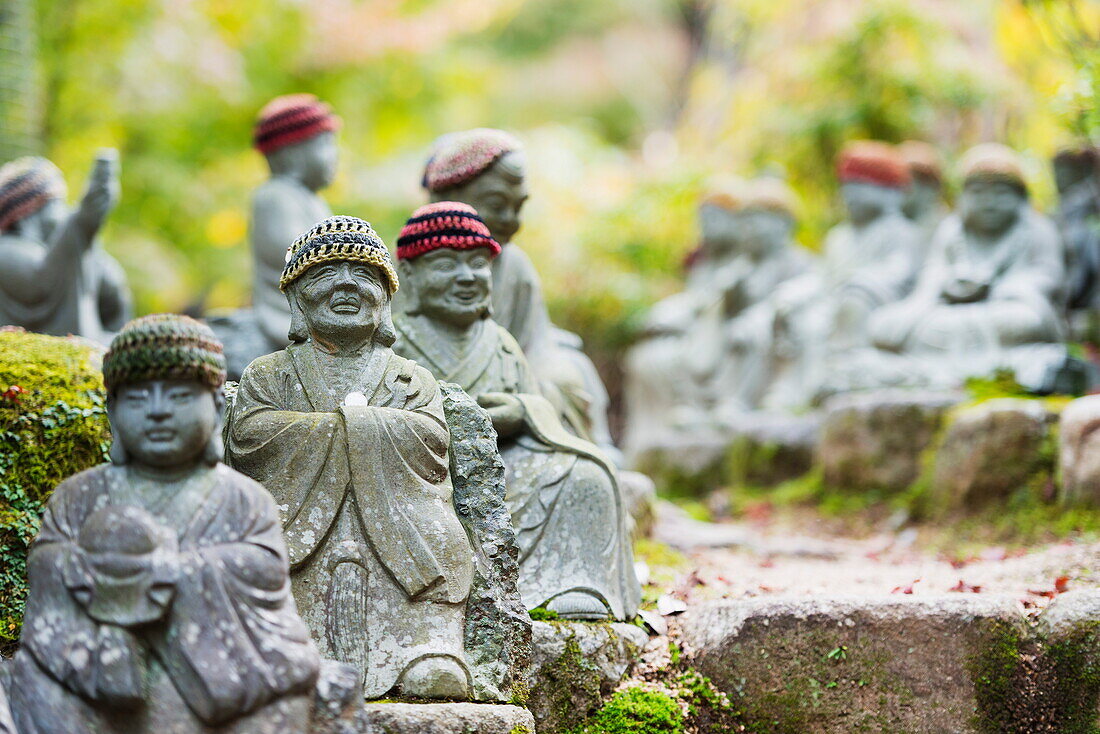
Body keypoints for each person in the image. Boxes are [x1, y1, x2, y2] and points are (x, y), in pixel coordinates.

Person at [9, 314, 320, 733]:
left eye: (177, 396)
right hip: (97, 665)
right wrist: (87, 570)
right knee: (31, 684)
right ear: (113, 411)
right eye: (137, 399)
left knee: (281, 702)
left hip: (214, 664)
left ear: (216, 406)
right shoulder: (79, 496)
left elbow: (262, 574)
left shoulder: (244, 499)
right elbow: (46, 564)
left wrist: (169, 572)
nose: (157, 412)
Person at [226, 216, 475, 699]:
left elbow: (429, 443)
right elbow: (251, 438)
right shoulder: (268, 374)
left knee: (438, 534)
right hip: (295, 518)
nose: (345, 284)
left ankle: (424, 651)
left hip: (399, 519)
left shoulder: (410, 377)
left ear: (385, 298)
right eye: (326, 274)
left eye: (363, 275)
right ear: (297, 298)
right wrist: (352, 427)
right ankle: (284, 651)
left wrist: (357, 430)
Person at [392, 202, 640, 622]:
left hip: (506, 470)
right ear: (411, 276)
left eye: (478, 264)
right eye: (446, 265)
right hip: (424, 481)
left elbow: (536, 406)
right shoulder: (393, 343)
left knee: (589, 476)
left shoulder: (501, 343)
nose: (467, 277)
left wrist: (523, 410)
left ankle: (568, 583)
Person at [0, 152, 131, 343]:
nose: (63, 213)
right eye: (56, 203)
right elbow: (85, 218)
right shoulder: (9, 253)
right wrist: (102, 179)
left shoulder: (65, 257)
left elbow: (115, 309)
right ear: (28, 212)